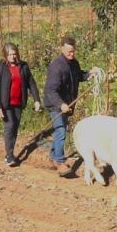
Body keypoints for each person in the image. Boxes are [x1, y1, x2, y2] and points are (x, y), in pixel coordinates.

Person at [43, 36, 101, 173]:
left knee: (60, 131)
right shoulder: (56, 66)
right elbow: (50, 90)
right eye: (69, 51)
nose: (71, 54)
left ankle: (53, 156)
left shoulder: (74, 63)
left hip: (68, 104)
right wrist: (61, 104)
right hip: (55, 103)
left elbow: (78, 76)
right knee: (61, 130)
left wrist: (89, 73)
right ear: (62, 48)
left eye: (73, 51)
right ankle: (60, 161)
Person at [0, 43, 42, 167]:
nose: (13, 57)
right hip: (5, 104)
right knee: (10, 125)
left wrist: (36, 99)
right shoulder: (0, 68)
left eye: (15, 54)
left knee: (15, 128)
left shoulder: (23, 66)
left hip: (18, 102)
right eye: (10, 54)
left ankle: (9, 152)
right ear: (5, 55)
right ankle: (10, 155)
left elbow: (32, 83)